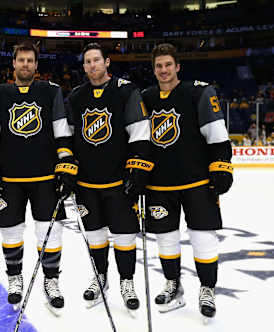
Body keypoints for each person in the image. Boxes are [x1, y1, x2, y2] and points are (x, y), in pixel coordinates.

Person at [141, 43, 233, 321]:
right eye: (159, 66)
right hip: (159, 184)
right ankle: (173, 284)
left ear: (177, 66)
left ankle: (207, 289)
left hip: (197, 181)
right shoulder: (145, 97)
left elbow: (217, 134)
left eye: (168, 64)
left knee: (203, 237)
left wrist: (222, 166)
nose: (164, 70)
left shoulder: (199, 92)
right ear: (153, 69)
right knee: (166, 238)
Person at [0, 41, 75, 313]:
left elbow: (61, 131)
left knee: (51, 231)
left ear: (36, 64)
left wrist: (66, 164)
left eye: (30, 61)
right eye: (21, 60)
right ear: (13, 63)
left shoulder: (51, 91)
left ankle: (52, 281)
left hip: (45, 176)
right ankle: (14, 278)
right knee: (10, 231)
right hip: (10, 178)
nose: (25, 65)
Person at [66, 43, 153, 313]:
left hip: (118, 181)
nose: (92, 65)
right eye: (87, 62)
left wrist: (137, 170)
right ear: (84, 67)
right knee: (94, 235)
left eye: (96, 60)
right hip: (86, 182)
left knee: (125, 235)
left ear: (107, 62)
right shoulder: (76, 96)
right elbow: (66, 136)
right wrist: (66, 167)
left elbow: (140, 132)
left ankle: (127, 282)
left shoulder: (126, 91)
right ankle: (100, 277)